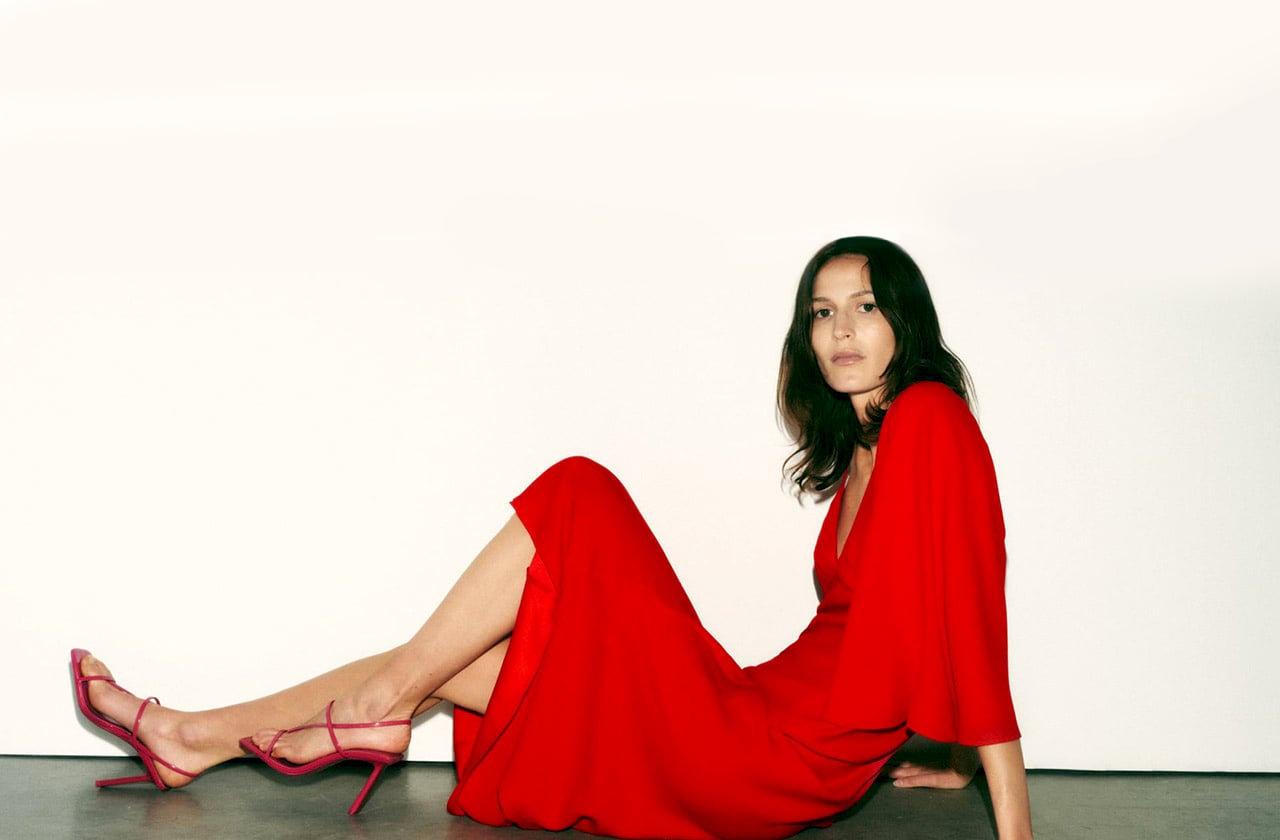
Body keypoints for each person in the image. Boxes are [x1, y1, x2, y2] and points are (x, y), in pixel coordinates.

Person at [71, 236, 1034, 839]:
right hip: (748, 712)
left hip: (768, 756)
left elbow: (970, 610)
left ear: (906, 319)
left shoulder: (930, 416)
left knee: (578, 492)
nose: (842, 329)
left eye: (866, 306)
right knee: (449, 661)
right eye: (822, 311)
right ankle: (193, 737)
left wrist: (1009, 817)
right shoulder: (870, 448)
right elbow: (913, 618)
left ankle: (368, 707)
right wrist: (946, 760)